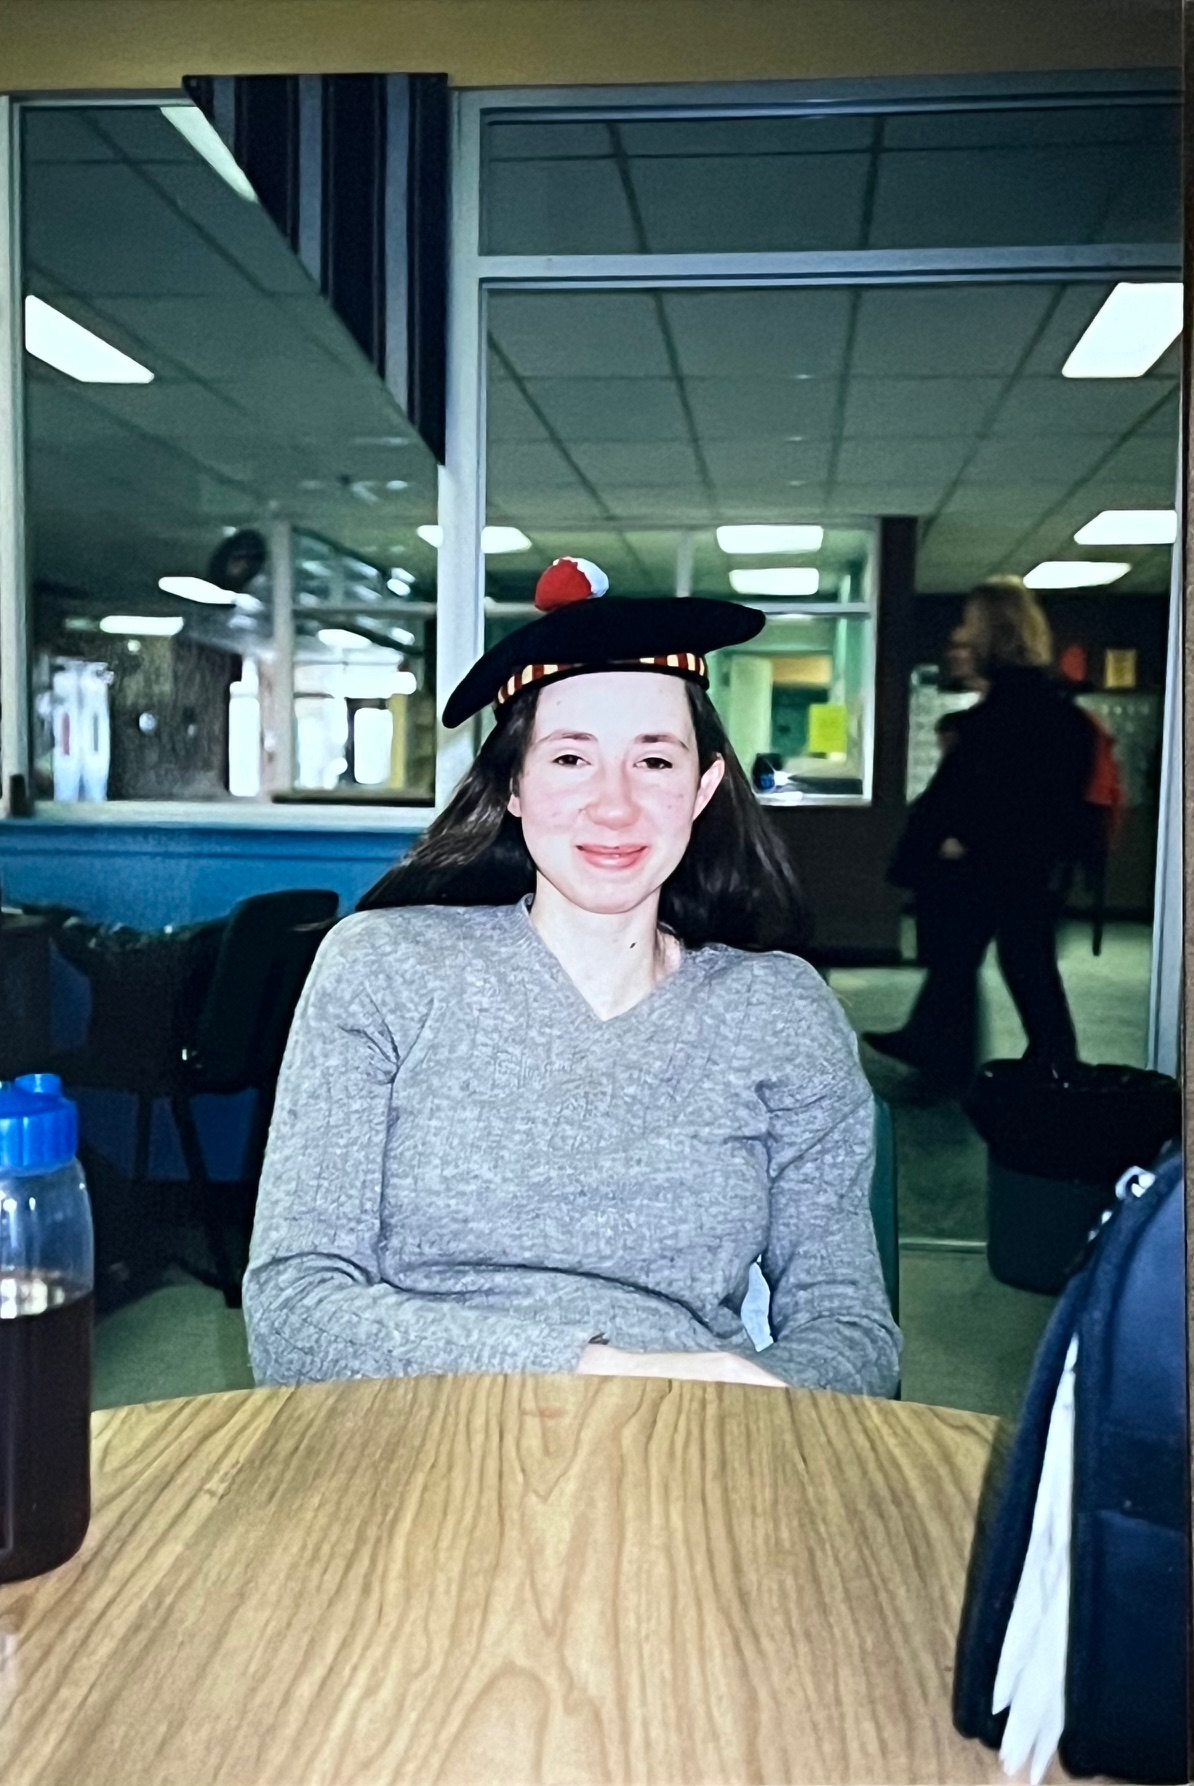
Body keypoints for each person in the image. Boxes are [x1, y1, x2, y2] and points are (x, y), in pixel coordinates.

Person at [243, 555, 900, 1398]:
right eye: (569, 759)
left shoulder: (779, 1008)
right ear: (513, 785)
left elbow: (850, 1329)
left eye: (654, 762)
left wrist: (761, 1402)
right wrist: (616, 1375)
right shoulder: (381, 969)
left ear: (703, 790)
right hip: (410, 1432)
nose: (615, 805)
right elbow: (293, 1316)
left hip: (692, 1445)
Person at [866, 576, 1096, 1093]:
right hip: (1023, 864)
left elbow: (993, 794)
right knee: (990, 958)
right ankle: (961, 1051)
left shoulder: (1004, 718)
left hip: (993, 864)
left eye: (970, 627)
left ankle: (1044, 1063)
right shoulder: (1047, 710)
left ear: (992, 632)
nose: (960, 637)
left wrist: (961, 839)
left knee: (1002, 959)